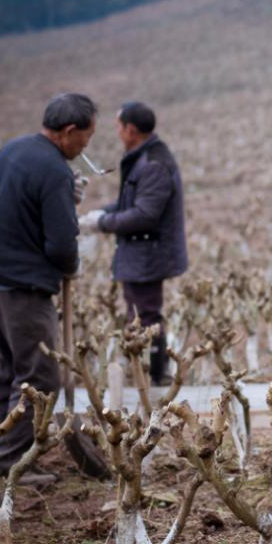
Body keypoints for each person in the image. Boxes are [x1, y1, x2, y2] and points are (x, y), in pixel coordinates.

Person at [0, 93, 97, 480]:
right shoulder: (55, 170)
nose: (85, 148)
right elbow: (62, 244)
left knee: (9, 371)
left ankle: (8, 452)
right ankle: (12, 463)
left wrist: (64, 196)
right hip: (25, 286)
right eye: (85, 139)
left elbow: (20, 204)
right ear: (68, 131)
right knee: (39, 376)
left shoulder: (11, 151)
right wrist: (72, 265)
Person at [79, 101, 187, 385]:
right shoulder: (145, 158)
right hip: (142, 252)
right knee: (141, 313)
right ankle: (147, 374)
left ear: (131, 130)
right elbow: (132, 204)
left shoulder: (153, 164)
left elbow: (145, 215)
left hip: (149, 253)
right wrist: (104, 212)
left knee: (146, 315)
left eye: (118, 126)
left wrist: (101, 223)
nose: (116, 132)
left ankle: (155, 377)